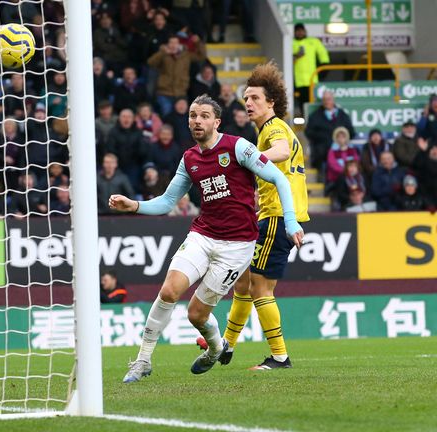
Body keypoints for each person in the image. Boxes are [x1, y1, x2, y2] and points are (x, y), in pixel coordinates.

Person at [113, 95, 303, 383]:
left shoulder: (238, 147)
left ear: (216, 122)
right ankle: (142, 360)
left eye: (203, 116)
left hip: (237, 246)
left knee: (196, 315)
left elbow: (278, 178)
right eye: (192, 116)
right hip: (203, 235)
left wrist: (290, 221)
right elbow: (167, 201)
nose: (197, 121)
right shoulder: (189, 158)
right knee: (168, 291)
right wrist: (135, 205)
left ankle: (216, 348)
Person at [217, 63, 310, 370]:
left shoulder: (274, 128)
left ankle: (280, 357)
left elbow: (281, 151)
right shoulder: (270, 130)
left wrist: (246, 160)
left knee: (259, 287)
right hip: (274, 214)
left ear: (271, 102)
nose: (248, 103)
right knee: (244, 282)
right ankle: (226, 345)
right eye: (246, 98)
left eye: (255, 97)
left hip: (278, 217)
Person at [147, 35, 206, 117]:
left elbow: (201, 56)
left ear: (179, 44)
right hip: (164, 93)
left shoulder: (186, 55)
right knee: (167, 115)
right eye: (171, 43)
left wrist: (198, 43)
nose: (173, 45)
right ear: (167, 44)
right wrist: (162, 53)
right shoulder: (163, 54)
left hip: (181, 92)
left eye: (175, 43)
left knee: (182, 117)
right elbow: (150, 63)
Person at [305, 91, 355, 181]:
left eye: (329, 99)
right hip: (323, 150)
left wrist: (341, 139)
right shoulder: (315, 116)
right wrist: (324, 137)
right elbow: (309, 132)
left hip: (342, 149)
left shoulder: (342, 115)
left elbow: (351, 132)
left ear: (333, 100)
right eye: (324, 100)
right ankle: (324, 180)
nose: (327, 102)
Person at [292, 23, 329, 114]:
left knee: (315, 103)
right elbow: (286, 59)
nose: (300, 33)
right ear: (295, 32)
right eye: (298, 31)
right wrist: (296, 56)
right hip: (299, 82)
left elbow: (324, 57)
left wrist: (321, 74)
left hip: (313, 80)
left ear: (305, 31)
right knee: (302, 104)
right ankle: (306, 123)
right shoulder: (290, 43)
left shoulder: (313, 41)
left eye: (301, 31)